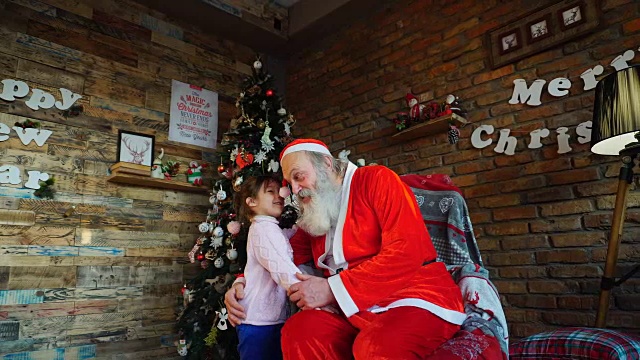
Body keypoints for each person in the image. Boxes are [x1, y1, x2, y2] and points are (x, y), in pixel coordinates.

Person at [225, 139, 465, 359]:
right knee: (299, 331)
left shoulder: (377, 179)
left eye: (299, 177)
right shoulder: (314, 212)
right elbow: (277, 253)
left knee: (374, 347)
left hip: (412, 296)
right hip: (352, 310)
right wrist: (241, 283)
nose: (295, 190)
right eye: (291, 183)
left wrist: (332, 288)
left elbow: (406, 250)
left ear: (326, 164)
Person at [232, 175, 302, 360]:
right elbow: (281, 267)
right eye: (270, 191)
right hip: (259, 322)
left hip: (269, 318)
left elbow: (282, 241)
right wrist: (306, 294)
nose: (279, 196)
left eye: (279, 191)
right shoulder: (263, 229)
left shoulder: (270, 228)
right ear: (251, 201)